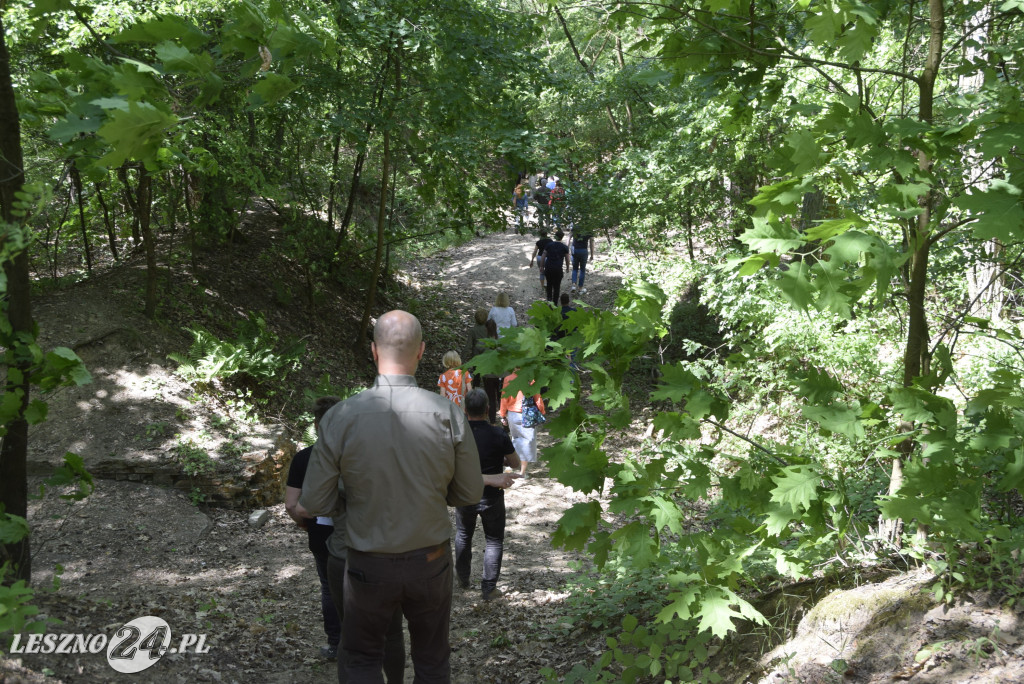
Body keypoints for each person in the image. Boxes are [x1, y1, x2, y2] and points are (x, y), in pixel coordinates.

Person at [300, 310, 485, 682]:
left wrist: (353, 496)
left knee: (362, 657)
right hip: (429, 559)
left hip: (368, 559)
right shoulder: (448, 413)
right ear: (421, 352)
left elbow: (314, 503)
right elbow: (469, 492)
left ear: (373, 350)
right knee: (432, 658)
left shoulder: (340, 416)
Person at [288, 398, 406, 683]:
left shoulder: (317, 459)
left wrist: (308, 518)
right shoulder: (381, 455)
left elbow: (299, 507)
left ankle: (337, 643)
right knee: (391, 632)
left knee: (350, 635)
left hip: (341, 550)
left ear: (319, 426)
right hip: (384, 548)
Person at [285, 396, 344, 661]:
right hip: (358, 531)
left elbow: (291, 504)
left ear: (317, 425)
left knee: (329, 588)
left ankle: (336, 643)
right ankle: (364, 641)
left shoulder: (304, 458)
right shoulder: (361, 456)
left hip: (320, 530)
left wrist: (304, 522)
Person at [455, 389, 521, 601]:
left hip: (465, 494)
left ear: (465, 410)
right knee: (493, 540)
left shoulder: (459, 434)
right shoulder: (498, 434)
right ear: (487, 409)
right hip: (492, 496)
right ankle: (489, 588)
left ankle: (463, 579)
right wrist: (499, 458)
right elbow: (515, 464)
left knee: (464, 535)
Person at [499, 371, 546, 479]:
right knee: (527, 441)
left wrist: (503, 414)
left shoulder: (508, 379)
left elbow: (504, 397)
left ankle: (510, 467)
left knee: (516, 439)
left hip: (513, 414)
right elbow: (537, 397)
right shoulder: (530, 378)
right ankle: (522, 472)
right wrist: (542, 411)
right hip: (528, 414)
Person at [540, 230, 571, 304]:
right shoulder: (565, 247)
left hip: (549, 268)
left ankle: (549, 300)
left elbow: (543, 256)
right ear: (562, 237)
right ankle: (555, 303)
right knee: (557, 287)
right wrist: (567, 267)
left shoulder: (549, 245)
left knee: (549, 285)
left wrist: (541, 266)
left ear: (555, 236)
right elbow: (567, 259)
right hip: (558, 269)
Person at [482, 319, 501, 424]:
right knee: (500, 397)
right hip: (499, 374)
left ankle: (493, 421)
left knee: (491, 399)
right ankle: (504, 419)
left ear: (486, 329)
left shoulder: (483, 343)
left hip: (488, 375)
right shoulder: (499, 343)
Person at [466, 308, 490, 388]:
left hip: (476, 356)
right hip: (487, 356)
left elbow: (468, 346)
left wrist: (462, 358)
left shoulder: (473, 330)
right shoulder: (489, 329)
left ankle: (475, 393)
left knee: (476, 377)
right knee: (487, 377)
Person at [570, 229, 595, 294]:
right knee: (582, 269)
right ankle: (580, 288)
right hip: (583, 251)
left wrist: (568, 250)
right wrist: (592, 255)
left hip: (575, 250)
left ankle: (573, 285)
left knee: (575, 268)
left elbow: (569, 238)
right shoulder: (589, 229)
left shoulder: (575, 228)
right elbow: (591, 244)